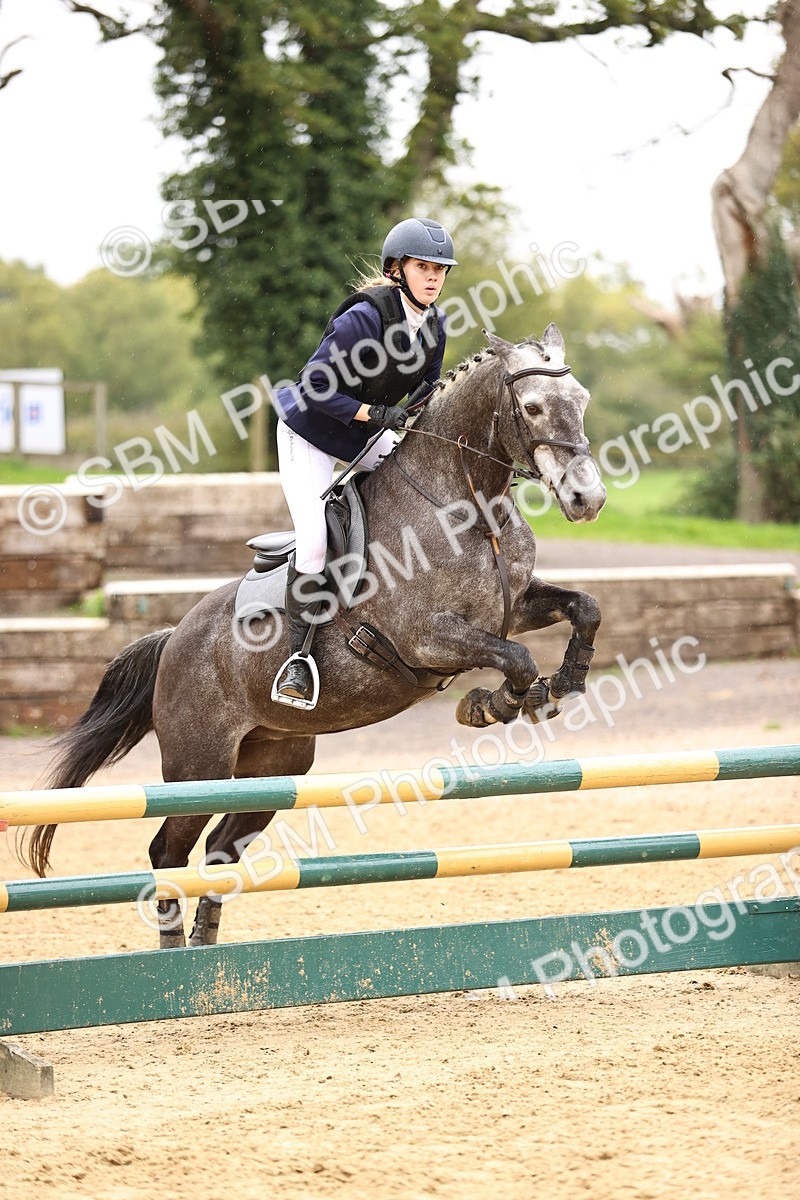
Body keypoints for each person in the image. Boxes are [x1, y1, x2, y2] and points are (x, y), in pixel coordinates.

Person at [271, 216, 457, 709]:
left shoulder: (435, 327)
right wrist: (373, 412)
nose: (434, 277)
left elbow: (426, 395)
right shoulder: (365, 317)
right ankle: (298, 661)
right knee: (312, 544)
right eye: (424, 266)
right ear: (397, 268)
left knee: (415, 494)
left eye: (441, 269)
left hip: (360, 434)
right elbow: (313, 384)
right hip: (309, 431)